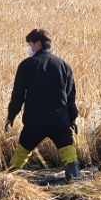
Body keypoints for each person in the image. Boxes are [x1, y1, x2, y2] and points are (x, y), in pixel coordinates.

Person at [6, 29, 81, 181]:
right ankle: (75, 182)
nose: (29, 48)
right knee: (69, 156)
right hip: (59, 121)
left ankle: (8, 182)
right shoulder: (63, 65)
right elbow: (71, 96)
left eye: (30, 44)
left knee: (21, 154)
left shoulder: (26, 65)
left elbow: (18, 95)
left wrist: (11, 115)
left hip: (35, 121)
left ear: (38, 44)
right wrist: (73, 118)